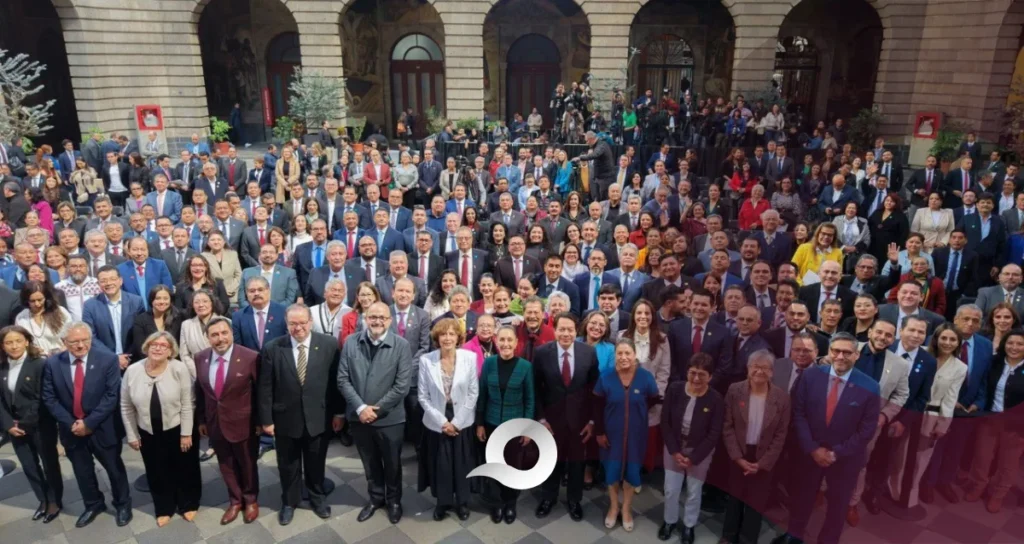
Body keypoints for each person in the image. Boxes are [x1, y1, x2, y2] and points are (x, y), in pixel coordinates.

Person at [41, 322, 133, 528]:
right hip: (71, 429)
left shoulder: (107, 359)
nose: (81, 345)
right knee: (82, 471)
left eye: (86, 340)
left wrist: (89, 422)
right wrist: (73, 423)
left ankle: (122, 504)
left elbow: (112, 395)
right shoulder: (53, 364)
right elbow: (49, 398)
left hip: (102, 427)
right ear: (64, 342)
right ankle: (93, 504)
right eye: (75, 342)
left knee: (114, 468)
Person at [258, 304, 342, 525]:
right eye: (293, 324)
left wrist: (339, 413)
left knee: (316, 462)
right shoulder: (273, 348)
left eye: (302, 322)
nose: (298, 328)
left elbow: (335, 383)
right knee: (288, 464)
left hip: (318, 417)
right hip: (285, 419)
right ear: (286, 325)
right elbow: (265, 387)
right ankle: (289, 501)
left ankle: (317, 497)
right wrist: (266, 420)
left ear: (310, 322)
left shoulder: (329, 344)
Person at [338, 302, 413, 525]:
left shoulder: (401, 345)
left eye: (382, 317)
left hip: (390, 420)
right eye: (372, 317)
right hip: (359, 418)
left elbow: (402, 386)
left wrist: (375, 410)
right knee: (369, 463)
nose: (377, 321)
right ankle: (375, 498)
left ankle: (394, 501)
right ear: (365, 319)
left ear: (390, 320)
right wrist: (361, 408)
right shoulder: (351, 342)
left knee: (392, 464)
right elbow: (342, 379)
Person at [120, 331, 199, 527]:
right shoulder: (133, 370)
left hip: (178, 428)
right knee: (156, 470)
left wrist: (186, 433)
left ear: (171, 350)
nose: (158, 348)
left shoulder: (179, 368)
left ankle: (188, 504)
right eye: (154, 344)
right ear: (147, 346)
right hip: (148, 431)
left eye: (164, 345)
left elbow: (188, 403)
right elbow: (125, 406)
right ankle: (164, 508)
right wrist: (132, 434)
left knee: (185, 468)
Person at [193, 315, 261, 524]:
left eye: (224, 333)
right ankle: (235, 500)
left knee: (247, 464)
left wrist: (260, 421)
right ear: (207, 338)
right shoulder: (200, 358)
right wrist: (202, 420)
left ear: (232, 334)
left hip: (244, 422)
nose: (220, 338)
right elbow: (201, 391)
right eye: (214, 335)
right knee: (226, 464)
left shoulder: (250, 357)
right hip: (215, 423)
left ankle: (250, 500)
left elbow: (260, 392)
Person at [533, 312, 599, 521]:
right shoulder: (542, 352)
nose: (566, 334)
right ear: (554, 329)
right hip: (551, 420)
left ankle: (574, 500)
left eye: (570, 329)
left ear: (576, 330)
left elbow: (594, 389)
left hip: (580, 420)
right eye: (561, 329)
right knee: (551, 460)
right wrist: (541, 419)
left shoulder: (588, 353)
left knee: (577, 462)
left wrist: (591, 421)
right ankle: (548, 498)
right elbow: (536, 389)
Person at [720, 350, 790, 544]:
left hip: (764, 458)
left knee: (756, 502)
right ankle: (728, 535)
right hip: (739, 453)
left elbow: (780, 435)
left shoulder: (782, 398)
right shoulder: (735, 390)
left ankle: (747, 539)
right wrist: (738, 458)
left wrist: (762, 463)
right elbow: (727, 426)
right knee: (734, 497)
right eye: (755, 366)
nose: (759, 371)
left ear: (772, 372)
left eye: (765, 367)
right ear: (748, 368)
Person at [594, 338, 659, 532]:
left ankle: (627, 509)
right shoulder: (605, 376)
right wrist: (599, 432)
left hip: (636, 436)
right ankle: (614, 507)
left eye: (627, 353)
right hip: (610, 435)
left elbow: (653, 399)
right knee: (612, 473)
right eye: (619, 354)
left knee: (631, 472)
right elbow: (597, 407)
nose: (623, 357)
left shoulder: (646, 377)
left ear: (634, 355)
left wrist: (635, 411)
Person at [658, 353, 724, 544]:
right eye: (693, 373)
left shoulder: (716, 399)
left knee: (694, 491)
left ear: (710, 377)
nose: (696, 378)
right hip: (674, 448)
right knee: (671, 489)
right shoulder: (675, 389)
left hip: (700, 451)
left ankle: (689, 526)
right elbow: (665, 422)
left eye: (702, 374)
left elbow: (714, 433)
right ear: (687, 372)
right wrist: (675, 451)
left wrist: (693, 458)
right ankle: (669, 521)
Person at [417, 319, 479, 521]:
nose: (448, 338)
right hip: (437, 421)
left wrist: (457, 422)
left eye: (452, 334)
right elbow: (423, 397)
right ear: (437, 338)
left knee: (462, 463)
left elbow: (473, 393)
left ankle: (462, 502)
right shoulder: (427, 360)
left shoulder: (469, 358)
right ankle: (442, 502)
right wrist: (443, 422)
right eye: (443, 334)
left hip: (462, 418)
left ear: (459, 338)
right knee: (441, 465)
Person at [0, 325, 63, 523]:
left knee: (49, 464)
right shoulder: (1, 366)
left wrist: (25, 423)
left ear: (26, 341)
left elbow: (42, 397)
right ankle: (42, 500)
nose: (14, 346)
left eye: (18, 341)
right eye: (9, 342)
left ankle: (54, 501)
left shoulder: (39, 364)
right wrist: (9, 424)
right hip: (14, 427)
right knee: (29, 466)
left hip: (40, 425)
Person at [475, 324, 534, 523]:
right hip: (491, 423)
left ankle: (510, 504)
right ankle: (496, 504)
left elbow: (530, 399)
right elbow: (482, 395)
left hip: (515, 426)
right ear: (496, 341)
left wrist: (527, 429)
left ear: (516, 343)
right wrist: (480, 423)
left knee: (512, 467)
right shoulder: (489, 363)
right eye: (502, 340)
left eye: (510, 340)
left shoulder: (525, 367)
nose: (506, 344)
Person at [962, 328, 1024, 513]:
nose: (1014, 347)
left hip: (1016, 425)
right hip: (990, 418)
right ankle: (977, 487)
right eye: (1010, 343)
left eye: (1020, 344)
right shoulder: (994, 362)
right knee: (982, 457)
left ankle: (997, 494)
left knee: (1008, 463)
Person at [16, 280, 73, 356]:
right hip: (35, 360)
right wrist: (30, 349)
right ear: (27, 300)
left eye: (40, 300)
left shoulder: (61, 312)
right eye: (32, 301)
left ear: (46, 298)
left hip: (60, 357)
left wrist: (62, 349)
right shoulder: (21, 318)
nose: (37, 304)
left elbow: (71, 338)